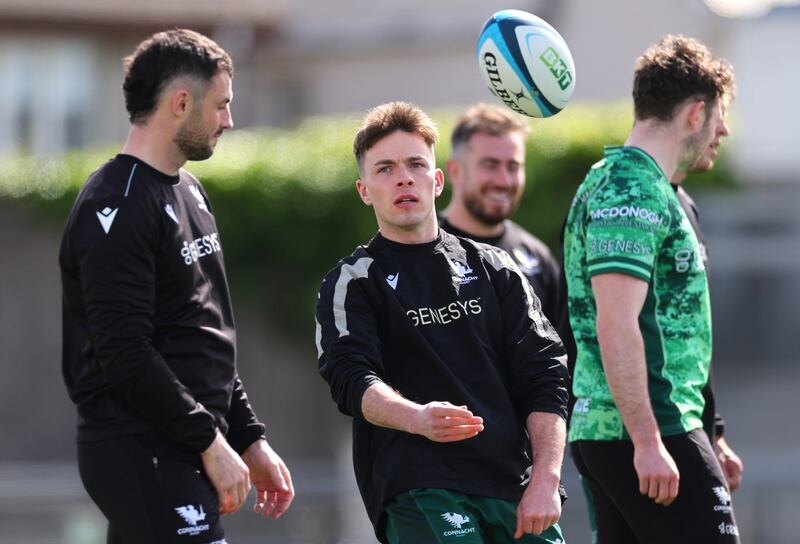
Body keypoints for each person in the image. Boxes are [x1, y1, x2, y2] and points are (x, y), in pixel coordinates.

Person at [60, 29, 294, 543]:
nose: (229, 120)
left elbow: (203, 333)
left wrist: (249, 438)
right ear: (180, 102)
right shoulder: (114, 206)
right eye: (221, 105)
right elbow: (125, 354)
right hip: (139, 446)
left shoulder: (191, 191)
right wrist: (212, 442)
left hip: (181, 443)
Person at [315, 101, 570, 544]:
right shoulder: (353, 281)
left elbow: (546, 373)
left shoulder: (497, 268)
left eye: (415, 164)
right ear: (364, 190)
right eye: (385, 168)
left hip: (513, 484)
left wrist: (546, 481)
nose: (403, 177)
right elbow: (351, 379)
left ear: (436, 181)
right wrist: (417, 418)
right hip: (420, 485)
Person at [562, 35, 740, 543]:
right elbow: (615, 320)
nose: (722, 130)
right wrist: (648, 439)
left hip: (634, 430)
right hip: (646, 430)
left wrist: (712, 433)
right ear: (695, 112)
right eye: (719, 115)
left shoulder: (629, 183)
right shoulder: (630, 187)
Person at [439, 103, 561, 325]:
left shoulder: (538, 258)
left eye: (513, 167)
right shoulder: (420, 253)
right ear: (455, 171)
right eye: (490, 165)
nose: (504, 181)